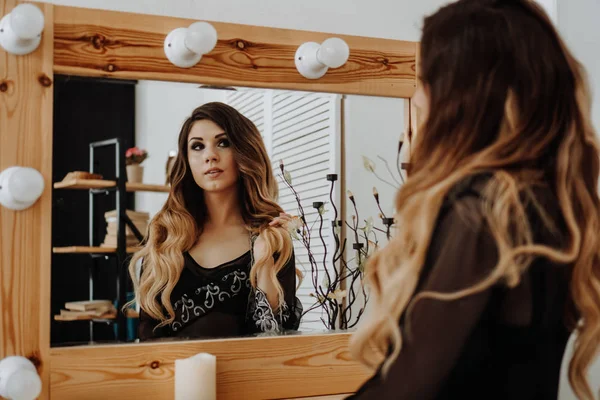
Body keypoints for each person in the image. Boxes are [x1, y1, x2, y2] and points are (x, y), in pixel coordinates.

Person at [349, 1, 600, 399]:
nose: (417, 99)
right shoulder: (548, 208)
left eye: (423, 80)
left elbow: (411, 386)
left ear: (461, 98)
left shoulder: (484, 212)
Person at [128, 102, 302, 340]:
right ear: (187, 161)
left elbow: (275, 337)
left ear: (243, 151)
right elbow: (147, 338)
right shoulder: (164, 236)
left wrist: (263, 260)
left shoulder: (272, 238)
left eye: (223, 143)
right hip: (172, 375)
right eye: (197, 146)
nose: (210, 156)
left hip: (248, 374)